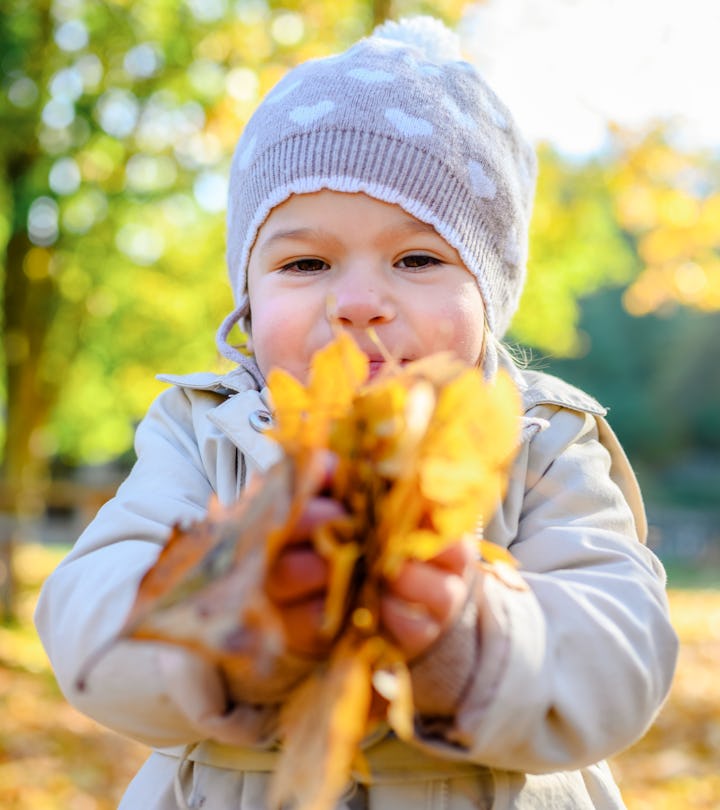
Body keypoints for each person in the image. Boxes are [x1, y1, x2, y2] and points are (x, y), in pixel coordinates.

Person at [35, 15, 678, 810]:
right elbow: (87, 619)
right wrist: (231, 625)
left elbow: (623, 652)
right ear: (246, 293)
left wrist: (467, 636)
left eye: (418, 258)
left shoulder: (537, 438)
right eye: (306, 262)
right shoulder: (202, 431)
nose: (359, 304)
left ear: (491, 293)